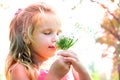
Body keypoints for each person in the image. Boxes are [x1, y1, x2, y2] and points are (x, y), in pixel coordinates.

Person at [5, 2, 92, 80]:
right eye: (47, 33)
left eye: (58, 33)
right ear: (26, 37)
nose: (56, 39)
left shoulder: (67, 64)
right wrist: (54, 75)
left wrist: (82, 70)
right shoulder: (20, 70)